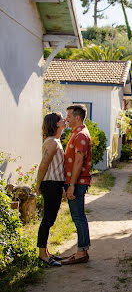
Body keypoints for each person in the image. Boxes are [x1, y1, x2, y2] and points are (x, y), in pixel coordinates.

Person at [61, 105, 92, 265]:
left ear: (77, 117)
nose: (66, 119)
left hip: (77, 183)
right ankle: (82, 250)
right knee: (80, 216)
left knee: (78, 217)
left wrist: (71, 184)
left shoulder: (80, 135)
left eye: (69, 116)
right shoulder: (78, 133)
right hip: (77, 182)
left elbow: (78, 161)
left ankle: (81, 253)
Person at [35, 112, 66, 267]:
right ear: (55, 124)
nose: (64, 120)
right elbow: (44, 165)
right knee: (48, 219)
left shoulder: (56, 141)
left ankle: (46, 252)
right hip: (50, 184)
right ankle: (42, 255)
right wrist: (37, 185)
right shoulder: (53, 142)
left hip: (55, 184)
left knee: (50, 219)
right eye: (61, 119)